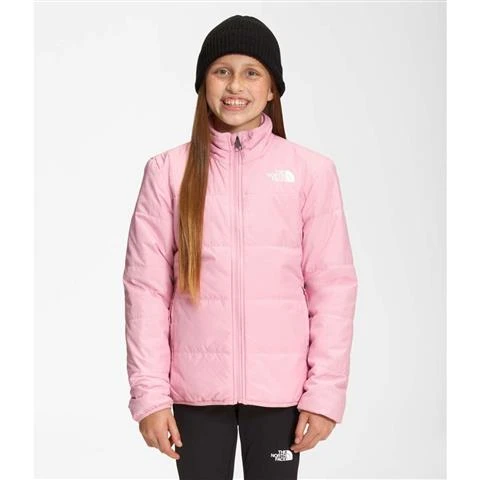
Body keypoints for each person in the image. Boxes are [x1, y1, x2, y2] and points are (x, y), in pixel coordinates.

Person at [122, 14, 358, 480]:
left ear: (272, 89)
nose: (235, 85)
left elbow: (333, 288)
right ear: (203, 83)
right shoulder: (168, 172)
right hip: (193, 394)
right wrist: (150, 396)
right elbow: (145, 291)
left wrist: (324, 395)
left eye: (252, 72)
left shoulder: (310, 172)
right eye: (222, 71)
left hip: (281, 395)